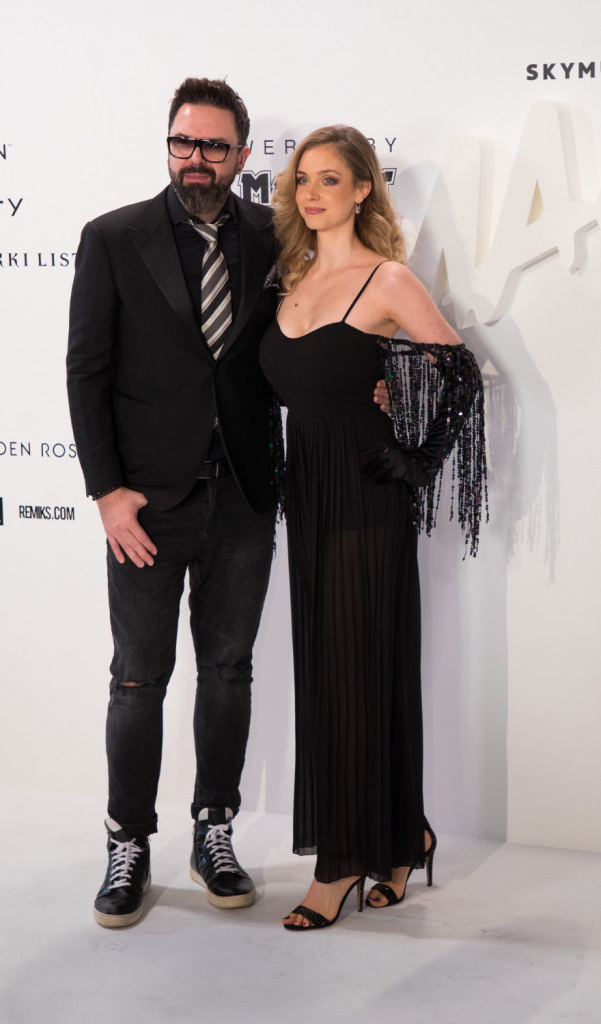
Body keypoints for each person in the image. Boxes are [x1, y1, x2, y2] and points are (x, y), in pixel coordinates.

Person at [67, 78, 282, 927]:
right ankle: (127, 841)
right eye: (182, 142)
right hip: (147, 505)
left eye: (213, 146)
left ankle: (212, 832)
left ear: (241, 154)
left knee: (228, 670)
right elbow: (86, 371)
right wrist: (106, 493)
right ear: (168, 145)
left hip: (245, 497)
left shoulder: (274, 236)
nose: (196, 158)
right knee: (137, 678)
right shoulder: (113, 237)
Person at [259, 125, 486, 930]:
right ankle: (401, 836)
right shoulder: (289, 278)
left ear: (362, 190)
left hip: (365, 495)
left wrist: (417, 462)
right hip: (308, 496)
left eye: (330, 179)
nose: (311, 193)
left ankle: (340, 866)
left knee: (357, 671)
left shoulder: (385, 279)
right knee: (333, 673)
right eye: (302, 180)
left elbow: (460, 374)